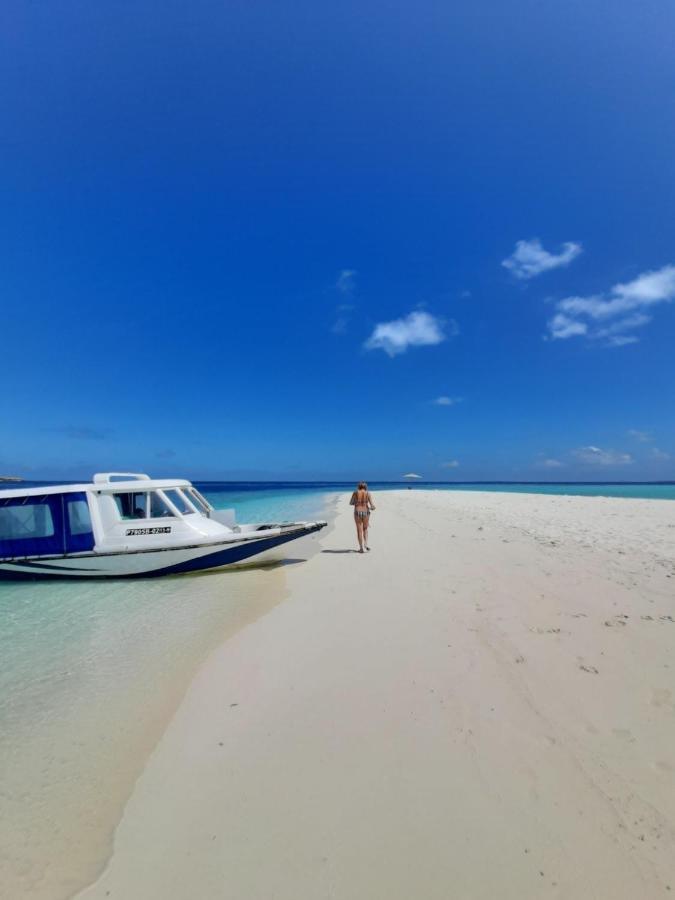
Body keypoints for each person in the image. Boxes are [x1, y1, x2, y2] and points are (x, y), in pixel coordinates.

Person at [350, 481, 375, 553]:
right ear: (365, 487)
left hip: (357, 511)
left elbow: (351, 503)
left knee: (359, 530)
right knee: (365, 529)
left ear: (358, 486)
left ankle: (361, 548)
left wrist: (357, 502)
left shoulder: (355, 492)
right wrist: (373, 507)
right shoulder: (368, 493)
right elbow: (372, 506)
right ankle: (366, 545)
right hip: (366, 512)